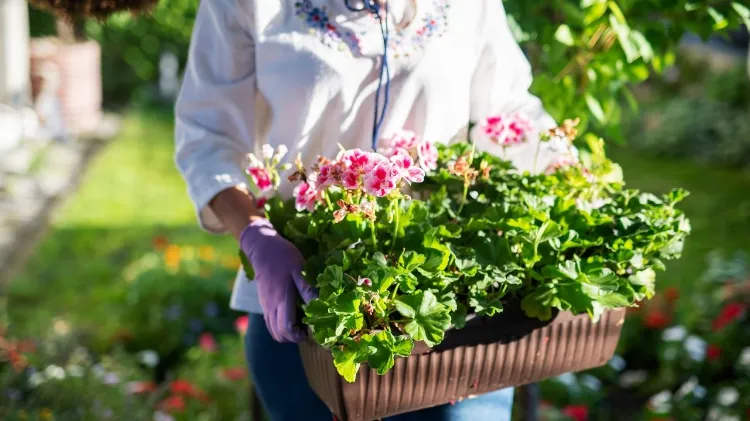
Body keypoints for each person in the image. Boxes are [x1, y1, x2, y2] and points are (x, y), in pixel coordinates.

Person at [174, 1, 563, 419]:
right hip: (307, 303)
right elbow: (206, 139)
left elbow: (510, 112)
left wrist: (575, 178)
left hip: (448, 308)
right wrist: (255, 235)